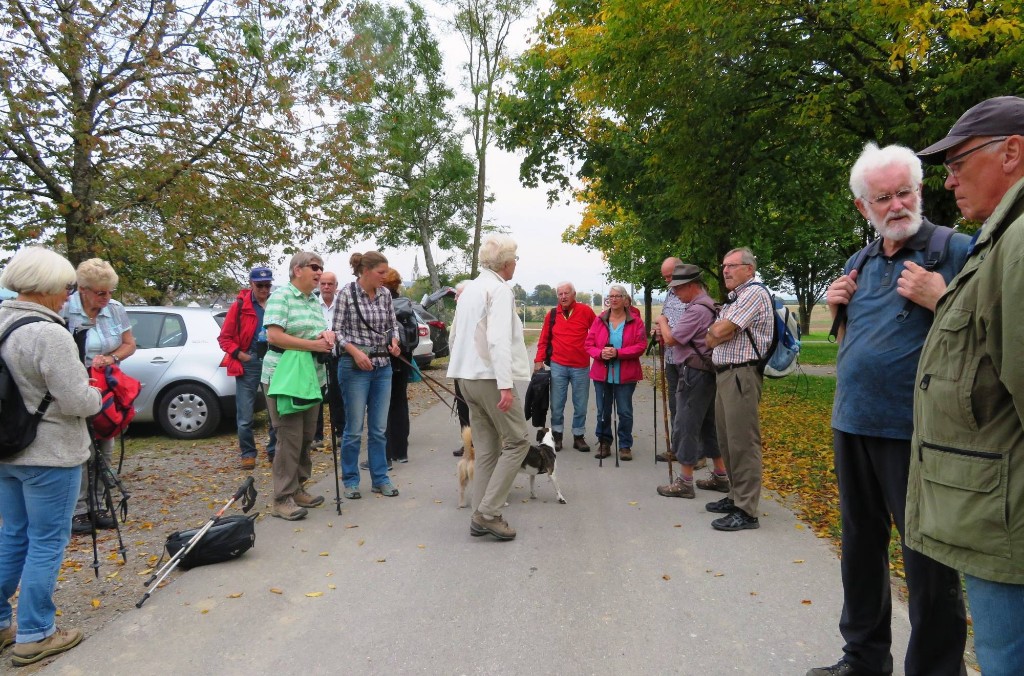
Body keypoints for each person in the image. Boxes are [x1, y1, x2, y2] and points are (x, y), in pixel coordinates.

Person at [808, 143, 969, 676]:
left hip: (919, 432)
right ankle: (864, 659)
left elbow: (993, 332)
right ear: (863, 207)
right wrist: (839, 311)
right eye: (884, 197)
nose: (897, 205)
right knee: (859, 547)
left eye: (905, 192)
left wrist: (941, 297)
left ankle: (935, 669)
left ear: (920, 191)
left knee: (927, 560)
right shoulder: (861, 261)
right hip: (852, 422)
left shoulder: (957, 250)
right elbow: (858, 341)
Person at [908, 95, 1024, 676]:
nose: (947, 180)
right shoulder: (1001, 240)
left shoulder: (1019, 243)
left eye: (958, 163)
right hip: (994, 517)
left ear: (1012, 151)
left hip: (1008, 525)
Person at [0, 247, 102, 665]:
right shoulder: (48, 333)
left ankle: (3, 623)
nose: (67, 296)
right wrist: (96, 391)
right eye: (65, 288)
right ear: (43, 287)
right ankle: (36, 632)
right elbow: (78, 401)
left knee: (13, 536)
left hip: (8, 450)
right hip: (50, 452)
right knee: (46, 542)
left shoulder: (3, 321)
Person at [447, 234, 532, 540]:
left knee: (486, 450)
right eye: (515, 260)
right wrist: (506, 385)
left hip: (467, 377)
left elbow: (455, 335)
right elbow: (497, 339)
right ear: (506, 263)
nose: (516, 265)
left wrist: (458, 373)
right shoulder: (499, 290)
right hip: (490, 377)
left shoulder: (470, 288)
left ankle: (478, 514)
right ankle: (489, 512)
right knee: (518, 441)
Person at [62, 258, 137, 535]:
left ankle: (99, 504)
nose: (106, 298)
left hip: (107, 387)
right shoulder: (66, 309)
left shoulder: (115, 309)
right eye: (100, 293)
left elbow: (130, 344)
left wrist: (112, 357)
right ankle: (78, 510)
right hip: (76, 385)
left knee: (105, 445)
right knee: (82, 449)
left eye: (109, 292)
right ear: (83, 289)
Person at [261, 252, 335, 520]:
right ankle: (282, 497)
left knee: (306, 437)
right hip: (284, 377)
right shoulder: (282, 297)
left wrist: (325, 336)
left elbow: (311, 333)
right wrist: (314, 345)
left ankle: (299, 487)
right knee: (289, 437)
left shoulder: (313, 301)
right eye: (314, 268)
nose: (319, 272)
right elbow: (275, 335)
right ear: (297, 270)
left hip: (311, 377)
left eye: (321, 268)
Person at [704, 247, 772, 531]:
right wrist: (718, 331)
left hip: (741, 374)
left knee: (743, 442)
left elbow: (716, 333)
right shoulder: (737, 298)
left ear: (750, 269)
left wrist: (719, 330)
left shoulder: (754, 292)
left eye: (732, 265)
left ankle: (747, 510)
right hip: (726, 375)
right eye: (724, 266)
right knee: (728, 440)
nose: (726, 271)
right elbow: (713, 337)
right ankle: (735, 496)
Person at [655, 264, 727, 498]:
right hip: (707, 372)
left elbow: (672, 339)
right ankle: (720, 475)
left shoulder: (697, 310)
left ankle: (685, 482)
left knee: (685, 425)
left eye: (677, 288)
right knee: (708, 425)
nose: (675, 293)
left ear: (691, 286)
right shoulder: (709, 305)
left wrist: (662, 321)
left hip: (694, 374)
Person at [333, 251, 401, 500]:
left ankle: (380, 478)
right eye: (381, 273)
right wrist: (354, 353)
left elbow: (392, 325)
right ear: (366, 271)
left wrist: (394, 341)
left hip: (382, 367)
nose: (385, 277)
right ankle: (350, 480)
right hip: (354, 368)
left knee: (379, 429)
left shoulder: (384, 295)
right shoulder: (346, 294)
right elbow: (337, 332)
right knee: (353, 429)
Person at [217, 266, 277, 471]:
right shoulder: (240, 305)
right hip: (249, 362)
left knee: (275, 411)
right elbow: (224, 338)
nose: (264, 289)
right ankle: (248, 453)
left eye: (267, 285)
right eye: (259, 285)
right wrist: (240, 355)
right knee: (245, 413)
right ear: (251, 284)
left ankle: (274, 450)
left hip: (273, 359)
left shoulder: (276, 303)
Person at [584, 284, 647, 461]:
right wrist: (600, 353)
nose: (613, 299)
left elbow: (641, 346)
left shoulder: (635, 321)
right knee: (603, 411)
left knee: (625, 411)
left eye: (617, 296)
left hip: (625, 374)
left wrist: (619, 353)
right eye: (610, 296)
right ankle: (604, 442)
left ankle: (625, 445)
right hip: (602, 373)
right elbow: (589, 345)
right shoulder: (600, 320)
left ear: (625, 300)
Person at [533, 282, 596, 452]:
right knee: (557, 404)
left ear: (574, 294)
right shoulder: (552, 314)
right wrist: (538, 360)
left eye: (566, 293)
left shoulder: (585, 311)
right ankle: (557, 436)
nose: (563, 297)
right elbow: (543, 339)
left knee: (581, 404)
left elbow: (598, 332)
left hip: (581, 366)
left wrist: (598, 352)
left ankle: (578, 436)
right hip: (558, 366)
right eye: (560, 294)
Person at [654, 257, 685, 462]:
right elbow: (667, 319)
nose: (667, 280)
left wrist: (665, 327)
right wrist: (658, 331)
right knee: (675, 404)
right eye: (664, 277)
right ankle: (677, 447)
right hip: (671, 357)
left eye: (670, 276)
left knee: (688, 406)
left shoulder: (692, 294)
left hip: (688, 359)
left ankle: (695, 453)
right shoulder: (670, 293)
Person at [382, 268, 411, 464]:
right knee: (400, 403)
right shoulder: (406, 304)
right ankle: (401, 452)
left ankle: (387, 454)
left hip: (388, 358)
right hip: (405, 358)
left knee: (384, 406)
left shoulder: (382, 304)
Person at [313, 271, 340, 450]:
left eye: (330, 284)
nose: (326, 287)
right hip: (317, 356)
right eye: (323, 284)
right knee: (317, 396)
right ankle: (317, 436)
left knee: (339, 396)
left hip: (339, 355)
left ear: (335, 286)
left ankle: (339, 432)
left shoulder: (342, 304)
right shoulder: (313, 304)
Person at [451, 281, 472, 458]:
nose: (456, 298)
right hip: (459, 368)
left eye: (459, 295)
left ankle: (479, 444)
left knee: (477, 410)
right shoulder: (459, 312)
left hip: (472, 370)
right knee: (462, 408)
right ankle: (467, 444)